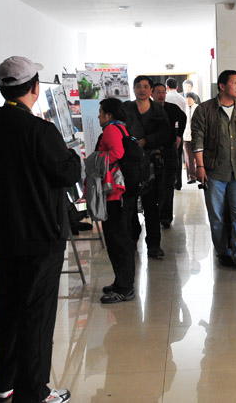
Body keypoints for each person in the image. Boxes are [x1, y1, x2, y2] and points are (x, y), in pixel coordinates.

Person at [0, 56, 79, 403]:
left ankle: (4, 383)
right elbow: (67, 173)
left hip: (4, 235)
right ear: (34, 88)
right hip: (41, 236)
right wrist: (73, 156)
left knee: (8, 306)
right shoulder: (40, 131)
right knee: (37, 313)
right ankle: (34, 392)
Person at [191, 70, 236, 270]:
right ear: (222, 86)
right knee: (217, 215)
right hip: (214, 171)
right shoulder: (204, 109)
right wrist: (200, 166)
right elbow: (197, 140)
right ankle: (223, 252)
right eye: (234, 83)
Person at [96, 98, 140, 303]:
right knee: (121, 238)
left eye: (100, 112)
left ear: (109, 115)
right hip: (122, 192)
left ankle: (124, 288)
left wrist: (96, 162)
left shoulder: (111, 130)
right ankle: (121, 282)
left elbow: (116, 153)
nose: (98, 116)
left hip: (116, 193)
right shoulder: (122, 128)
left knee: (118, 240)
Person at [124, 75, 170, 258]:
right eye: (138, 86)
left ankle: (154, 245)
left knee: (151, 204)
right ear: (133, 89)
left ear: (151, 90)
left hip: (151, 162)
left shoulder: (158, 109)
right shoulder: (126, 108)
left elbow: (166, 133)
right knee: (129, 204)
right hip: (130, 162)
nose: (142, 90)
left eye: (145, 86)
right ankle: (131, 239)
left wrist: (147, 140)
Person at [152, 82, 186, 228]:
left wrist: (179, 135)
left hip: (169, 150)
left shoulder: (171, 108)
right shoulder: (148, 109)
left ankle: (166, 216)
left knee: (168, 183)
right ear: (152, 94)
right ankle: (154, 215)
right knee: (154, 184)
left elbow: (183, 118)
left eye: (163, 92)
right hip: (152, 151)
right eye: (158, 92)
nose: (161, 95)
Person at [165, 78, 186, 189]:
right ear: (177, 87)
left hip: (168, 130)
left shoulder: (165, 97)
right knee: (178, 156)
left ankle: (170, 181)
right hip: (179, 130)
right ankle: (179, 183)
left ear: (167, 87)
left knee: (169, 156)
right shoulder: (182, 99)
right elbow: (184, 115)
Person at [183, 91, 200, 183]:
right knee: (188, 158)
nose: (188, 101)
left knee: (198, 157)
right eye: (186, 99)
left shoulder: (198, 108)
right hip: (186, 136)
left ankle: (199, 175)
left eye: (189, 99)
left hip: (197, 136)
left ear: (194, 100)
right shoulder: (183, 108)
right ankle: (191, 177)